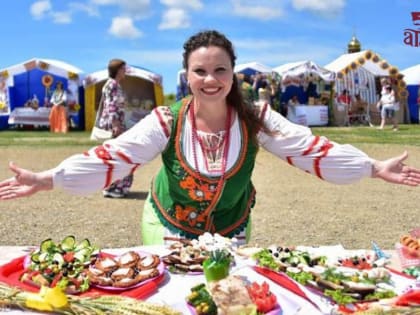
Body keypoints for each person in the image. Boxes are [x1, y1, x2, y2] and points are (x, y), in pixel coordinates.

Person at [1, 30, 420, 246]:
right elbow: (114, 156)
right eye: (200, 71)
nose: (210, 79)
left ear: (232, 73)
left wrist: (372, 167)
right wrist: (50, 178)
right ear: (187, 76)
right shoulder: (166, 121)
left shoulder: (256, 118)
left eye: (220, 70)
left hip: (233, 225)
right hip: (168, 222)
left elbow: (310, 149)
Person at [99, 58, 133, 198]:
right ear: (118, 70)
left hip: (117, 123)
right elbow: (111, 105)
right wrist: (115, 125)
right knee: (120, 155)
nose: (125, 71)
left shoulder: (113, 84)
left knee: (117, 155)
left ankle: (114, 186)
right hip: (115, 125)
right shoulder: (112, 84)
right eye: (124, 69)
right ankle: (115, 187)